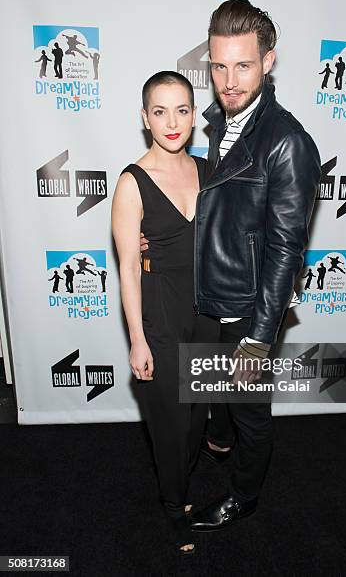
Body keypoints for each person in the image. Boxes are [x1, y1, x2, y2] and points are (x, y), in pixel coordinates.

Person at [141, 0, 321, 531]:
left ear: (268, 61)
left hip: (249, 309)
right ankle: (216, 439)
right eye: (219, 66)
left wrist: (260, 339)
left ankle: (245, 497)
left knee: (250, 411)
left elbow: (287, 249)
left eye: (243, 65)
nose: (229, 79)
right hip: (211, 296)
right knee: (211, 397)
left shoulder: (287, 143)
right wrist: (168, 243)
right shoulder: (219, 122)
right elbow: (215, 211)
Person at [112, 71, 218, 555]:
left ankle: (183, 483)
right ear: (144, 117)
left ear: (194, 116)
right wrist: (137, 337)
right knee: (172, 420)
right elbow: (129, 268)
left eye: (181, 110)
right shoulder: (132, 183)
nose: (172, 122)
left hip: (206, 309)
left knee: (196, 416)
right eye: (160, 111)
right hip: (160, 310)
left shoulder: (207, 169)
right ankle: (174, 508)